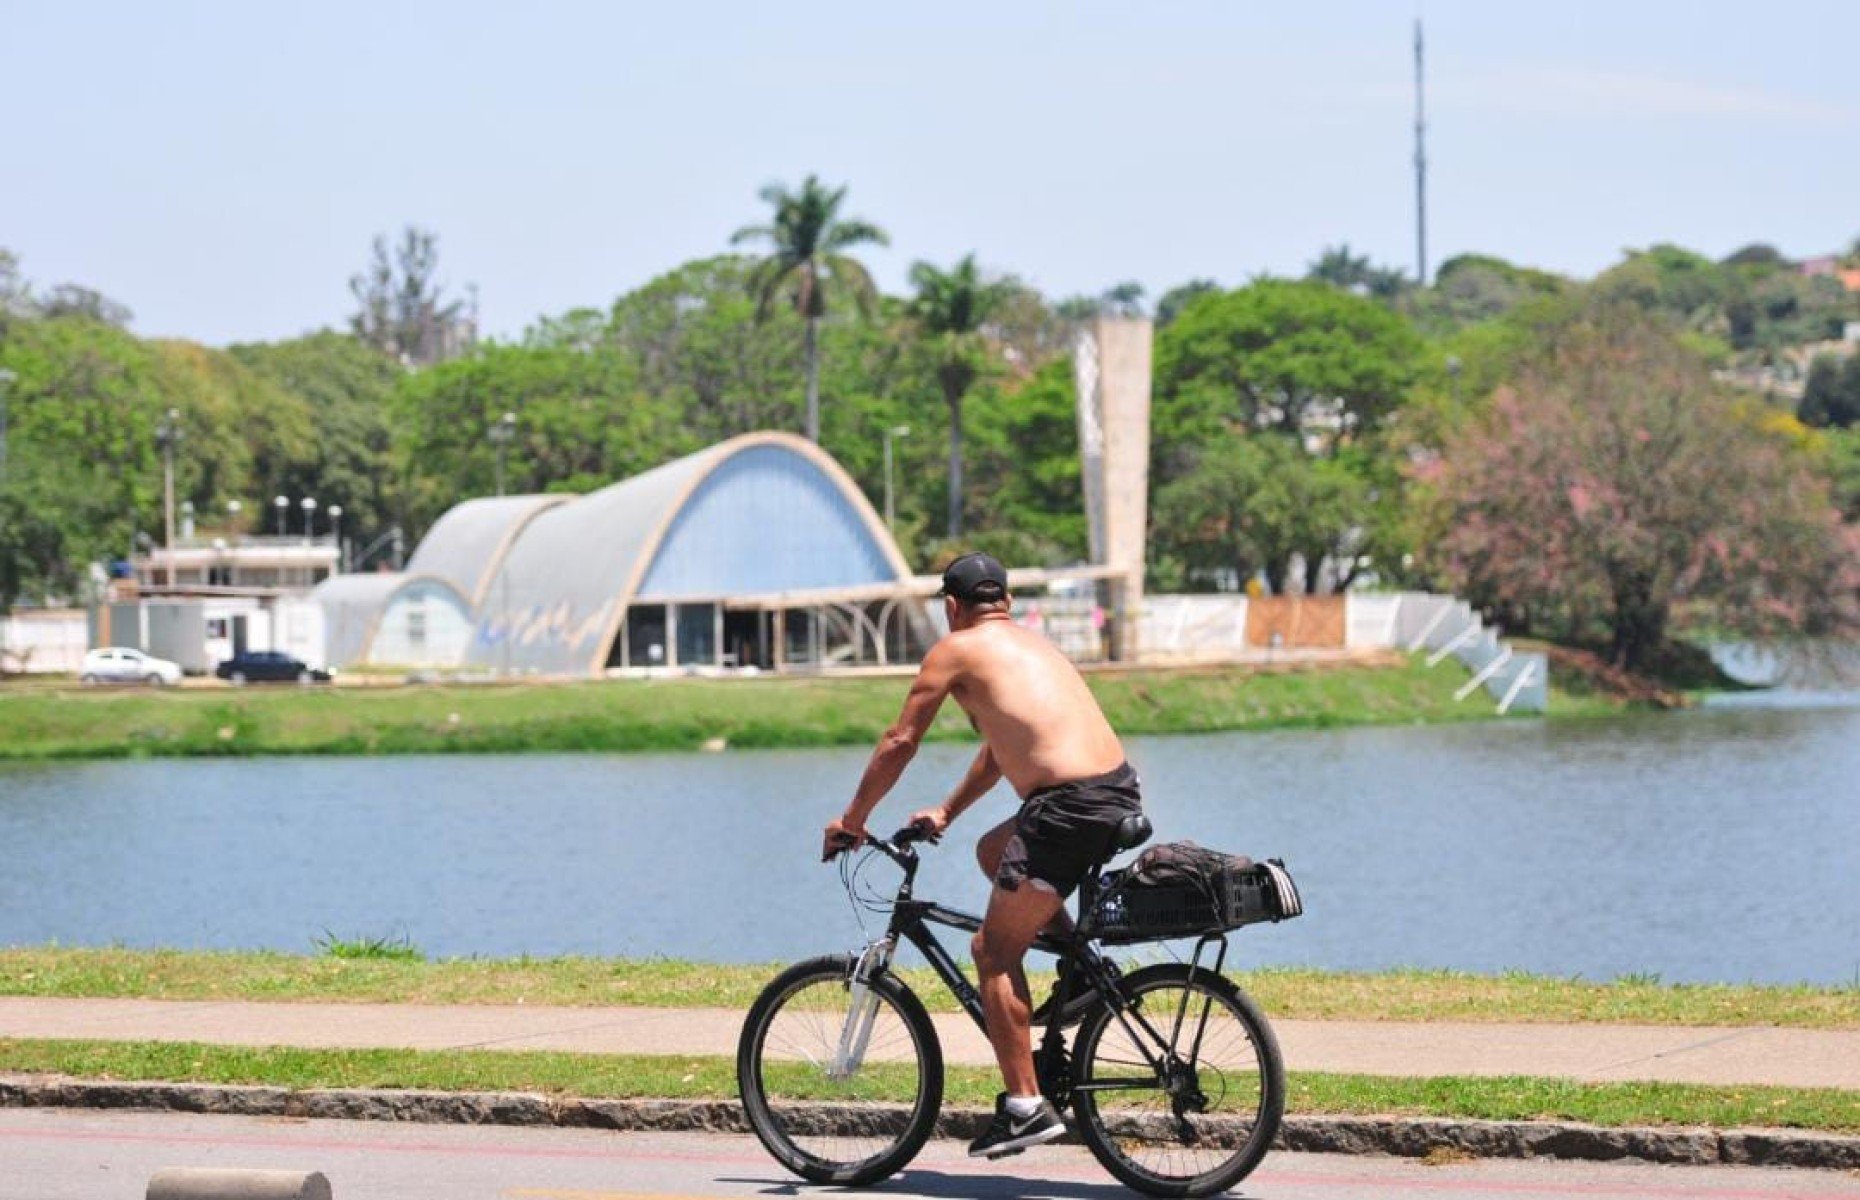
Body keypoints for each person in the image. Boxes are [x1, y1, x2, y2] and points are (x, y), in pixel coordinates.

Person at [822, 552, 1144, 1160]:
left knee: (991, 953)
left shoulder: (957, 649)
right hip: (1112, 791)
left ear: (951, 607)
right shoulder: (1034, 646)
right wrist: (946, 811)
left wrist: (853, 819)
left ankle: (1024, 1107)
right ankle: (1080, 968)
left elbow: (900, 739)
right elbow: (1000, 751)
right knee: (994, 850)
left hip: (1065, 809)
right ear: (1008, 603)